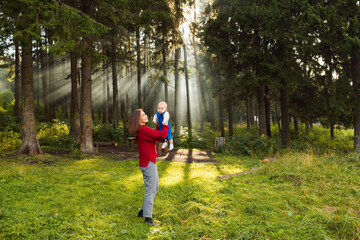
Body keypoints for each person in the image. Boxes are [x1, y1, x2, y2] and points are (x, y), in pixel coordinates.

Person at [128, 109, 169, 226]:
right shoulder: (144, 130)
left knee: (154, 187)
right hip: (148, 164)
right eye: (143, 115)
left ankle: (143, 211)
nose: (146, 115)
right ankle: (148, 218)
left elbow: (155, 136)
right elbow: (162, 135)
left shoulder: (143, 130)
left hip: (149, 162)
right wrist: (165, 125)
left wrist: (157, 125)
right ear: (138, 119)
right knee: (151, 189)